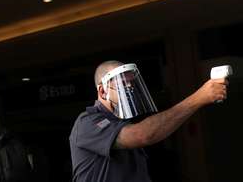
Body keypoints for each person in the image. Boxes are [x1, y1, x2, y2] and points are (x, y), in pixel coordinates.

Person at [69, 60, 227, 182]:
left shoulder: (124, 122)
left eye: (131, 84)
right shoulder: (87, 123)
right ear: (103, 91)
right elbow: (142, 135)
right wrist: (199, 98)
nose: (130, 88)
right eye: (123, 85)